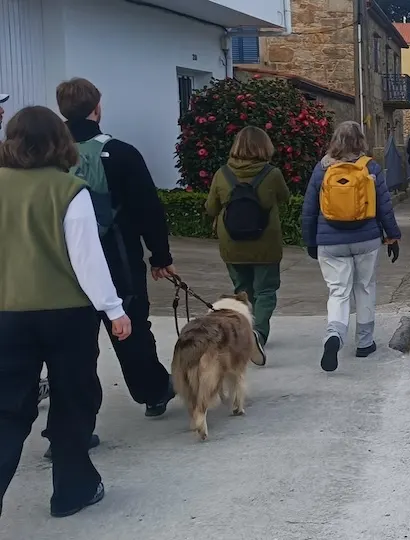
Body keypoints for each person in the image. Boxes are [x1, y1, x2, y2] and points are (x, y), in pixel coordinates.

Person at [0, 106, 133, 518]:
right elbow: (87, 260)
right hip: (68, 314)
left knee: (6, 409)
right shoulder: (69, 190)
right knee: (72, 400)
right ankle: (72, 490)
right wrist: (114, 310)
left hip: (7, 314)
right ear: (60, 142)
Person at [57, 78, 177, 418]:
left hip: (64, 264)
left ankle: (71, 425)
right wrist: (160, 256)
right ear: (97, 108)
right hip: (117, 260)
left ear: (61, 111)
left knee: (74, 346)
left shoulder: (49, 157)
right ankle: (153, 393)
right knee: (132, 329)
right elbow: (148, 209)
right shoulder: (122, 153)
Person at [302, 121, 402, 373]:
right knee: (365, 287)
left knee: (338, 291)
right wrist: (392, 236)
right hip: (365, 238)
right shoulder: (370, 167)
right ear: (361, 140)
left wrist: (310, 241)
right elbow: (384, 206)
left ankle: (334, 334)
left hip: (330, 241)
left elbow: (309, 210)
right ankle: (365, 343)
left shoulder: (322, 168)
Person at [204, 126, 290, 364]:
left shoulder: (222, 174)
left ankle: (245, 332)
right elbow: (285, 198)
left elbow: (210, 208)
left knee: (243, 290)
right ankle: (258, 333)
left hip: (232, 244)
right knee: (266, 291)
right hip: (265, 244)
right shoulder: (271, 174)